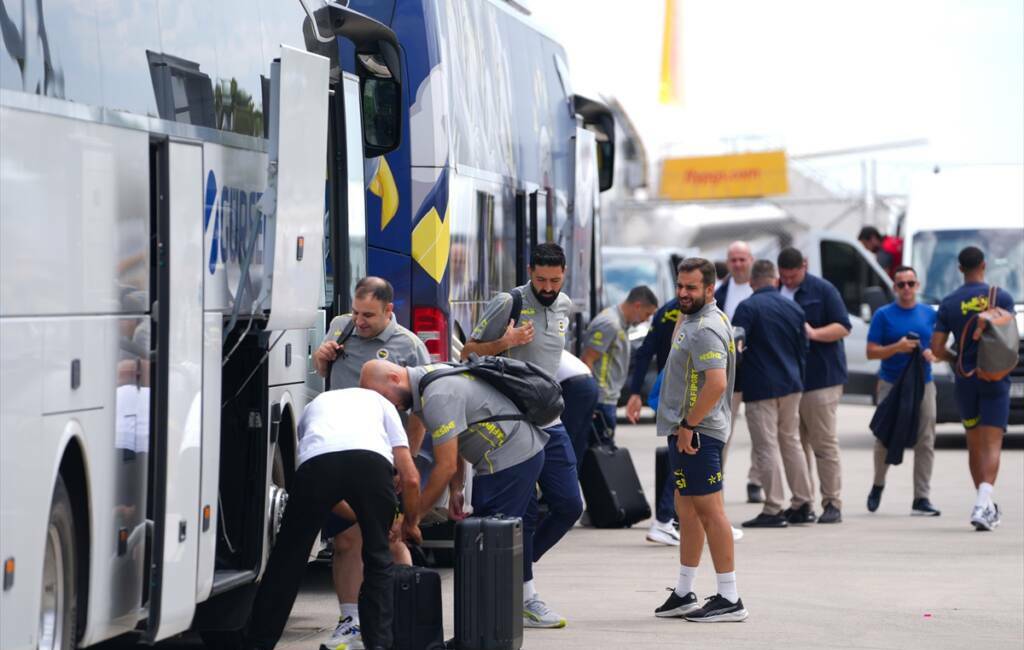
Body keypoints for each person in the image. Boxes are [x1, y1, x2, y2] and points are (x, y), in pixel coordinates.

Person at [359, 359, 550, 614]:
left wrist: (411, 519)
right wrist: (457, 489)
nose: (386, 406)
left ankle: (486, 630)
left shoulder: (437, 394)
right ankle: (494, 623)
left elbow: (445, 465)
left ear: (394, 378)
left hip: (509, 459)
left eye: (382, 397)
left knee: (487, 547)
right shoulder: (428, 379)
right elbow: (454, 440)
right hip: (517, 453)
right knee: (496, 541)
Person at [243, 389, 422, 650]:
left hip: (317, 465)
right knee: (378, 559)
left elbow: (323, 475)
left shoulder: (315, 405)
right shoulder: (383, 404)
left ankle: (258, 643)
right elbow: (411, 478)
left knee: (287, 559)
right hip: (370, 464)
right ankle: (379, 644)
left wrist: (361, 514)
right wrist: (409, 523)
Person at [461, 242, 580, 628]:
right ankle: (526, 595)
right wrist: (506, 344)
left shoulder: (564, 306)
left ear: (564, 276)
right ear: (530, 272)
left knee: (568, 505)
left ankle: (519, 566)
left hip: (550, 417)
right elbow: (469, 351)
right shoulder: (508, 301)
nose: (547, 286)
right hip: (514, 421)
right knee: (523, 512)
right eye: (541, 279)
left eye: (555, 280)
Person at [311, 277, 429, 650]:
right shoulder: (339, 329)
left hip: (382, 455)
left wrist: (403, 460)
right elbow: (319, 373)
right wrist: (320, 359)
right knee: (347, 538)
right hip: (340, 449)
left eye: (369, 316)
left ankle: (404, 614)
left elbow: (421, 413)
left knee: (389, 537)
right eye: (356, 313)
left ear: (388, 311)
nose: (359, 322)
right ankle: (350, 621)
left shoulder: (408, 346)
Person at [652, 258, 747, 623]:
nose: (683, 293)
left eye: (691, 288)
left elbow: (718, 383)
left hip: (699, 433)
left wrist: (690, 425)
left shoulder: (706, 326)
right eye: (680, 286)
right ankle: (683, 591)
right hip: (687, 430)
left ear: (710, 289)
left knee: (711, 513)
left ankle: (730, 597)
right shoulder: (696, 318)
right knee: (686, 509)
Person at [930, 246, 1015, 531]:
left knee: (974, 442)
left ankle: (985, 504)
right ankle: (983, 502)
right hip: (994, 378)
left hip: (965, 381)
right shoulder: (1000, 297)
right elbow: (1009, 339)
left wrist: (956, 360)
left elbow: (937, 348)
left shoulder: (950, 302)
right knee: (992, 443)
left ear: (959, 269)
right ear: (984, 265)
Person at [733, 260, 815, 528]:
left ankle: (773, 507)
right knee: (791, 443)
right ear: (775, 280)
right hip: (792, 385)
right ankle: (803, 502)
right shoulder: (794, 308)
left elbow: (736, 347)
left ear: (753, 282)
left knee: (766, 446)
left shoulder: (747, 307)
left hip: (760, 388)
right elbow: (804, 348)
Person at [777, 247, 851, 524]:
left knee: (823, 443)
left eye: (793, 276)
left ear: (804, 267)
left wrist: (814, 333)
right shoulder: (778, 290)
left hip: (822, 380)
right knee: (796, 445)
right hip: (790, 381)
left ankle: (832, 502)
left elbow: (843, 326)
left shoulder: (823, 290)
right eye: (784, 277)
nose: (789, 281)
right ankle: (802, 501)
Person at [866, 266, 941, 516]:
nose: (906, 289)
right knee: (884, 437)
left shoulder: (929, 314)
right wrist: (896, 347)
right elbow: (871, 351)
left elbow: (938, 348)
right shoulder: (883, 315)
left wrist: (933, 354)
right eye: (901, 284)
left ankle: (921, 497)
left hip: (923, 382)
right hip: (892, 383)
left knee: (926, 438)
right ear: (895, 288)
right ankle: (878, 484)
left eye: (911, 283)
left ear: (918, 286)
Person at [625, 279, 684, 546]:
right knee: (684, 457)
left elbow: (644, 353)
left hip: (670, 391)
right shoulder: (682, 312)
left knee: (687, 455)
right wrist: (635, 392)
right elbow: (646, 351)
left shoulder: (666, 311)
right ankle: (664, 519)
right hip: (682, 393)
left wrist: (636, 391)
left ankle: (693, 517)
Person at [713, 240, 764, 505]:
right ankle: (714, 480)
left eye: (742, 259)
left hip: (757, 371)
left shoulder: (763, 290)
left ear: (751, 260)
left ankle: (756, 481)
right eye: (733, 259)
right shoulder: (719, 293)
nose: (738, 264)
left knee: (760, 431)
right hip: (727, 370)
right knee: (722, 429)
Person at [581, 285, 659, 444]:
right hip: (601, 401)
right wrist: (592, 401)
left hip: (607, 399)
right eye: (647, 314)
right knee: (602, 453)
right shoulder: (610, 324)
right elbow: (587, 360)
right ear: (637, 306)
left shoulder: (619, 323)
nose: (647, 319)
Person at [556, 349, 600, 470]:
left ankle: (565, 481)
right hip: (588, 383)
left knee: (564, 442)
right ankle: (572, 481)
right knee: (578, 443)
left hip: (573, 386)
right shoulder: (552, 344)